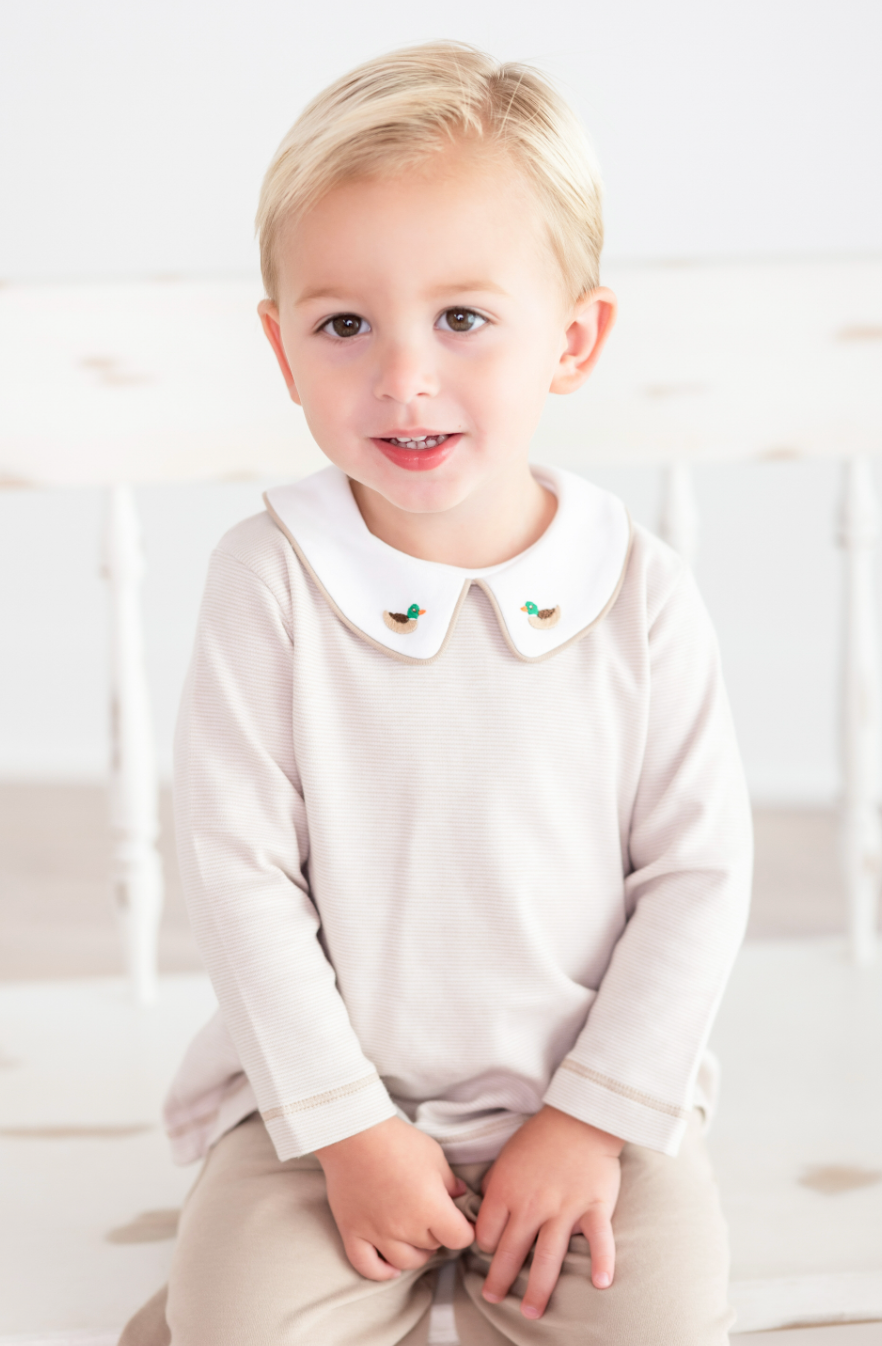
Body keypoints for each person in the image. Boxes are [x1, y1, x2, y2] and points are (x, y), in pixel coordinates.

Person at [119, 41, 752, 1346]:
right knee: (234, 1324)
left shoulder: (639, 589)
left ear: (572, 339)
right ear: (283, 348)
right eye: (344, 325)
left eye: (462, 318)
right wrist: (350, 1130)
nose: (403, 377)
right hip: (326, 1105)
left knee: (660, 1323)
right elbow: (239, 875)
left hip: (582, 1100)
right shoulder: (270, 579)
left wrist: (588, 1120)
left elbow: (697, 875)